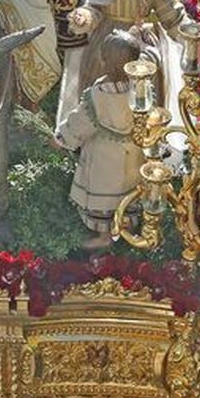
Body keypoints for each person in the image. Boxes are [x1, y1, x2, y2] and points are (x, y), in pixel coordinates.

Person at [57, 0, 188, 130]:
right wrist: (84, 17)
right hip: (108, 41)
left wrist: (189, 34)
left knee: (145, 74)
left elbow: (172, 17)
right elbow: (94, 8)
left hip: (140, 42)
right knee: (99, 75)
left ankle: (143, 127)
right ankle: (96, 126)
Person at [58, 29, 145, 249]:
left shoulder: (98, 95)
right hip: (133, 152)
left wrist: (62, 137)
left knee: (104, 195)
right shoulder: (141, 89)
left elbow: (80, 122)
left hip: (104, 157)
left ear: (103, 59)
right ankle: (126, 228)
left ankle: (104, 237)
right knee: (128, 190)